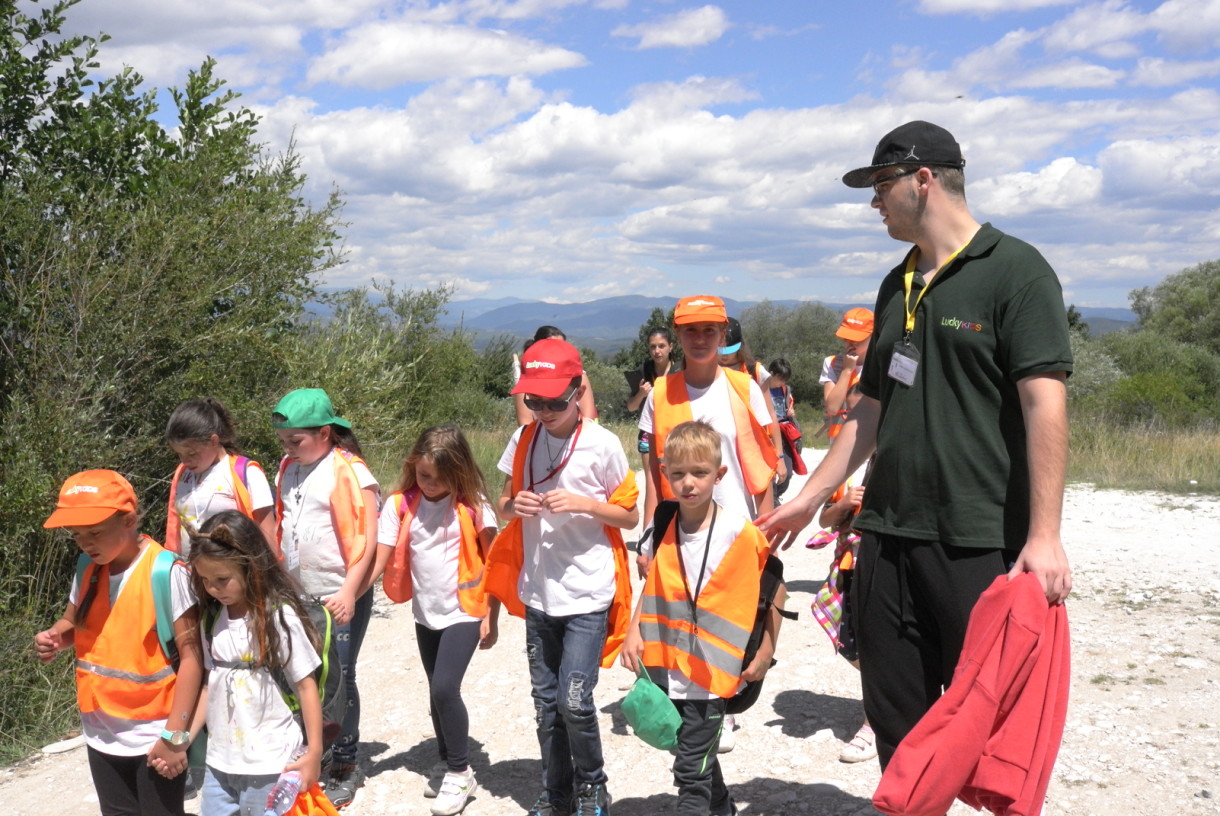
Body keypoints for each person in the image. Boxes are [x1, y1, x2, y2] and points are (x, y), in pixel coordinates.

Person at [759, 120, 1073, 773]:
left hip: (976, 539)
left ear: (923, 180)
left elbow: (1045, 403)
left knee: (984, 726)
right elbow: (869, 411)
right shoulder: (895, 282)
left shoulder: (1015, 271)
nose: (874, 201)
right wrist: (809, 497)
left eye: (880, 184)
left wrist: (1045, 535)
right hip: (884, 534)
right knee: (897, 719)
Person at [484, 337, 639, 816]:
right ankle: (556, 791)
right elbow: (502, 503)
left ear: (578, 390)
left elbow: (629, 516)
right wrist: (515, 506)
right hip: (539, 594)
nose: (544, 410)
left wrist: (587, 505)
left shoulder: (603, 444)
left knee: (574, 700)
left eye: (554, 400)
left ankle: (593, 784)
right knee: (546, 704)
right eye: (534, 400)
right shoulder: (523, 440)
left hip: (589, 594)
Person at [638, 297, 780, 753]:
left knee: (735, 619)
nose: (700, 339)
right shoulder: (660, 393)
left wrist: (769, 523)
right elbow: (654, 475)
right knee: (687, 615)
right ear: (677, 336)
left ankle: (723, 698)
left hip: (737, 528)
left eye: (709, 331)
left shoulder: (744, 387)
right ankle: (699, 704)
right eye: (691, 331)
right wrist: (648, 536)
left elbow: (760, 457)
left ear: (724, 336)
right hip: (682, 531)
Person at [620, 421, 783, 816]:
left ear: (719, 474)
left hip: (712, 673)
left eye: (699, 473)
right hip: (668, 666)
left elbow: (775, 585)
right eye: (677, 475)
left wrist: (766, 650)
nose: (688, 484)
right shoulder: (664, 522)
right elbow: (656, 581)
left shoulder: (737, 532)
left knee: (690, 770)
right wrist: (631, 631)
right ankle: (723, 808)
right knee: (696, 755)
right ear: (664, 475)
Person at [34, 470, 203, 816]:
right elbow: (73, 622)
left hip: (154, 733)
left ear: (129, 520)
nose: (86, 543)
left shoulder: (166, 572)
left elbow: (192, 659)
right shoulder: (87, 568)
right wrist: (55, 638)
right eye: (78, 535)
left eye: (95, 532)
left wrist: (175, 737)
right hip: (100, 730)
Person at [367, 425, 501, 816]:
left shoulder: (474, 505)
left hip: (466, 608)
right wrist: (353, 594)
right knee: (434, 689)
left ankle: (461, 772)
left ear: (458, 472)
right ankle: (447, 759)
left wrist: (493, 615)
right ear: (414, 466)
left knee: (445, 687)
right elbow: (380, 558)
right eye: (424, 475)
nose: (429, 484)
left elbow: (493, 562)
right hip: (426, 613)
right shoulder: (399, 505)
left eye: (440, 478)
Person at [272, 388, 379, 807]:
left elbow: (367, 540)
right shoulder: (288, 467)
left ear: (326, 433)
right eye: (284, 441)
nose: (288, 448)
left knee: (339, 678)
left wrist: (350, 591)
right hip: (299, 595)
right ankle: (314, 754)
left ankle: (346, 763)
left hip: (339, 594)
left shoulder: (350, 471)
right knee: (304, 678)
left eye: (295, 441)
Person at [187, 510, 325, 815]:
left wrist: (314, 752)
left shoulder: (278, 616)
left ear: (251, 567)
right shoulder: (211, 618)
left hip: (272, 763)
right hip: (219, 763)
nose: (213, 588)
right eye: (206, 580)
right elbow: (210, 686)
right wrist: (182, 739)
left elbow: (305, 686)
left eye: (222, 579)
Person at [165, 397, 276, 556]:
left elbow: (268, 535)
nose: (185, 460)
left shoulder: (247, 473)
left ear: (213, 441)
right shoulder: (182, 473)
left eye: (192, 453)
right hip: (189, 574)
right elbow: (174, 529)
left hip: (237, 574)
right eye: (179, 454)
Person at [513, 326, 598, 426]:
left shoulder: (578, 377)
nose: (546, 412)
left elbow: (588, 419)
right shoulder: (526, 382)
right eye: (535, 403)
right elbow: (525, 426)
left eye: (558, 404)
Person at [819, 308, 873, 440]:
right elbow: (832, 407)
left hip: (869, 439)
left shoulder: (880, 366)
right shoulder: (831, 363)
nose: (850, 343)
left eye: (856, 339)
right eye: (846, 338)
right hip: (839, 439)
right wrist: (847, 370)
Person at [763, 358, 803, 500]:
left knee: (788, 471)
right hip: (766, 433)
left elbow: (789, 406)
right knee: (769, 472)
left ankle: (776, 495)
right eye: (780, 379)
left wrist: (791, 412)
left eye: (785, 380)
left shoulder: (786, 390)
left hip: (784, 432)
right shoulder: (760, 388)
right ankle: (771, 500)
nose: (782, 383)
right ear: (771, 374)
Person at [626, 327, 676, 413]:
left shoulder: (680, 370)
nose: (657, 351)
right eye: (653, 347)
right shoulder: (643, 371)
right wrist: (641, 394)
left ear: (670, 347)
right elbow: (631, 407)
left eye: (661, 346)